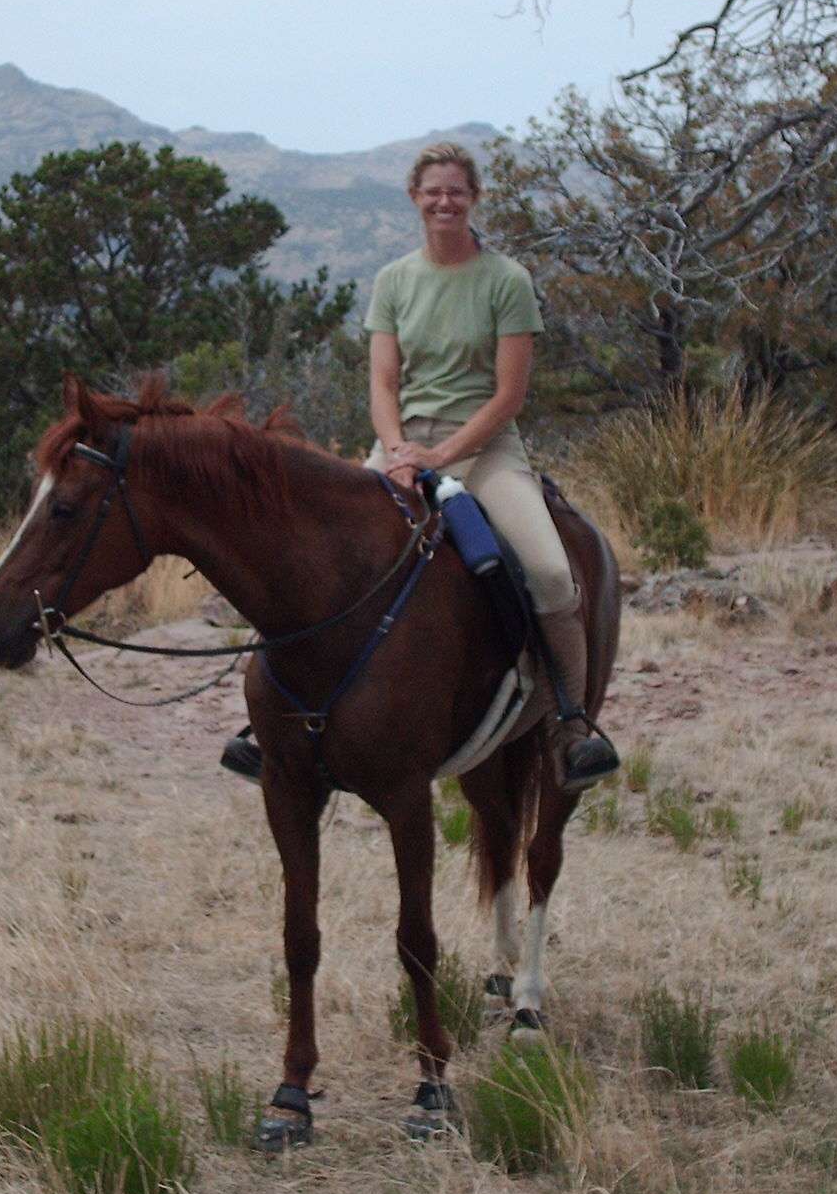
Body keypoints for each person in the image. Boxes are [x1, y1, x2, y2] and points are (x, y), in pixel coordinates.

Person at [221, 140, 621, 791]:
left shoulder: (507, 282)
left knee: (550, 572)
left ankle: (572, 727)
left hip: (485, 451)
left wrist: (442, 455)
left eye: (456, 191)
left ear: (473, 198)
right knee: (306, 558)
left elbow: (509, 396)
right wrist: (399, 451)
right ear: (414, 197)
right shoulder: (394, 281)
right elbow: (382, 382)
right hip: (400, 444)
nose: (444, 201)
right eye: (432, 191)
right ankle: (271, 724)